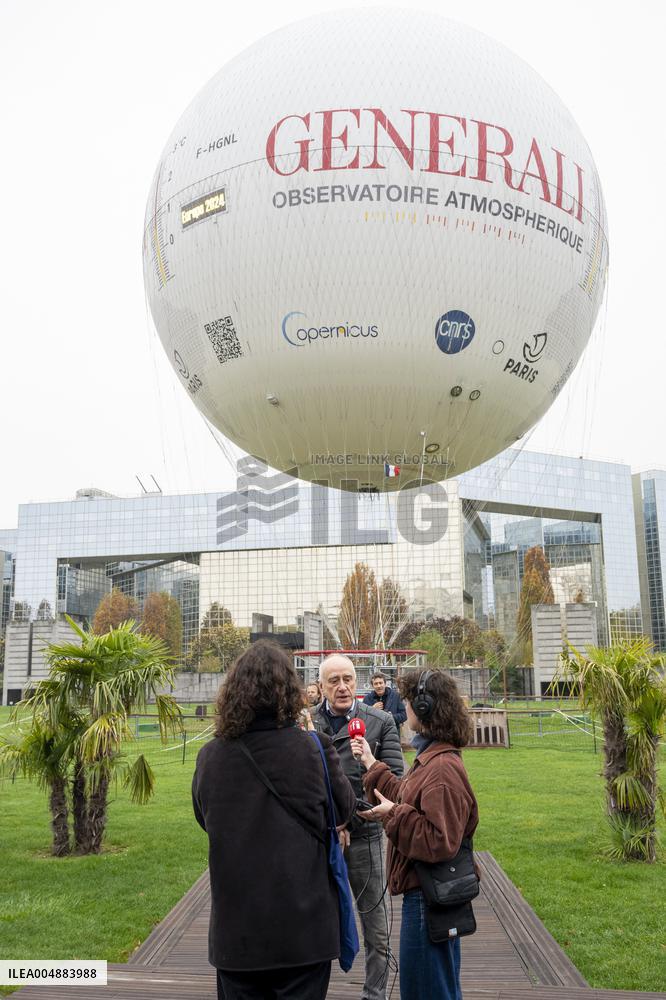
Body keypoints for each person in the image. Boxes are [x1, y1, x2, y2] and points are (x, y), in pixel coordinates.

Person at [192, 640, 356, 1000]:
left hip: (237, 934)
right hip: (304, 931)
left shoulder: (211, 757)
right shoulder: (314, 748)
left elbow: (204, 817)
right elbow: (344, 811)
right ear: (289, 691)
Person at [352, 669, 479, 1000]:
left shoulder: (441, 769)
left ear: (425, 707)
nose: (405, 706)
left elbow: (439, 841)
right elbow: (406, 798)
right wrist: (371, 763)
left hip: (428, 900)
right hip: (428, 896)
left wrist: (392, 814)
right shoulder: (431, 757)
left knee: (426, 991)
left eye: (408, 700)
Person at [312, 654, 404, 1000]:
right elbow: (300, 785)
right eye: (334, 680)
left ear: (357, 681)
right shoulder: (305, 725)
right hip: (320, 840)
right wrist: (333, 822)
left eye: (348, 679)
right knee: (312, 922)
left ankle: (374, 994)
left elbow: (395, 781)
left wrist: (368, 761)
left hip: (365, 837)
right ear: (321, 686)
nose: (342, 687)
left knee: (376, 927)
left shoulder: (379, 722)